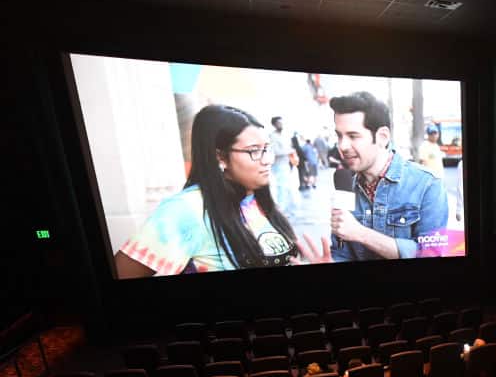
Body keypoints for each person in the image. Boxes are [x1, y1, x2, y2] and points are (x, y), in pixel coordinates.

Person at [114, 105, 331, 278]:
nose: (267, 160)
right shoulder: (185, 210)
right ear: (220, 157)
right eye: (254, 151)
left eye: (267, 149)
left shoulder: (255, 198)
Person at [329, 92, 449, 261]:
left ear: (382, 137)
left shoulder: (427, 184)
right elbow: (342, 252)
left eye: (353, 136)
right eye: (339, 135)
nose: (342, 146)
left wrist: (361, 234)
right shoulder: (345, 186)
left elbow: (432, 253)